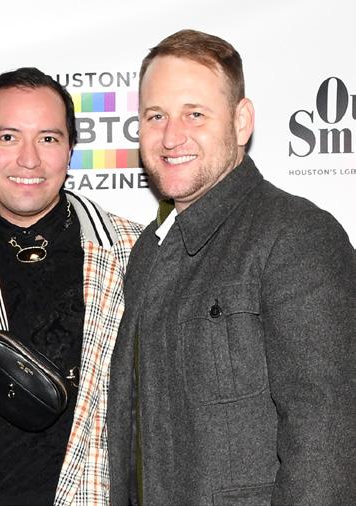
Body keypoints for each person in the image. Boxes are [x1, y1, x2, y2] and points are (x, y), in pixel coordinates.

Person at [107, 29, 356, 505]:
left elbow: (327, 445)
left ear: (241, 122)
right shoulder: (147, 253)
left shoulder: (297, 236)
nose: (171, 136)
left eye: (195, 114)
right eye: (156, 116)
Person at [0, 67, 143, 505]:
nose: (29, 159)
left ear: (70, 152)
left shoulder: (134, 253)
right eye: (8, 137)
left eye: (48, 138)